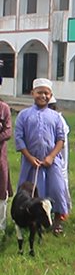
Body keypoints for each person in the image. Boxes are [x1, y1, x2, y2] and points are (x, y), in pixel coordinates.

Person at [15, 78, 69, 234]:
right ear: (33, 93)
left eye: (46, 93)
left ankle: (57, 221)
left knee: (57, 188)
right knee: (30, 192)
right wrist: (29, 157)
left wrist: (51, 157)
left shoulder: (56, 117)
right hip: (30, 162)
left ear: (51, 95)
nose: (43, 96)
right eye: (39, 92)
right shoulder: (24, 115)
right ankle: (31, 221)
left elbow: (60, 139)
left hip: (52, 161)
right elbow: (19, 138)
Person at [48, 95, 72, 214]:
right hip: (44, 157)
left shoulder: (59, 120)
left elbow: (61, 143)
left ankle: (61, 211)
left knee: (59, 184)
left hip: (57, 157)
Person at [0, 97, 12, 234]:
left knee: (1, 190)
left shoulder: (4, 108)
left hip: (0, 156)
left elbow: (8, 132)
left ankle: (1, 225)